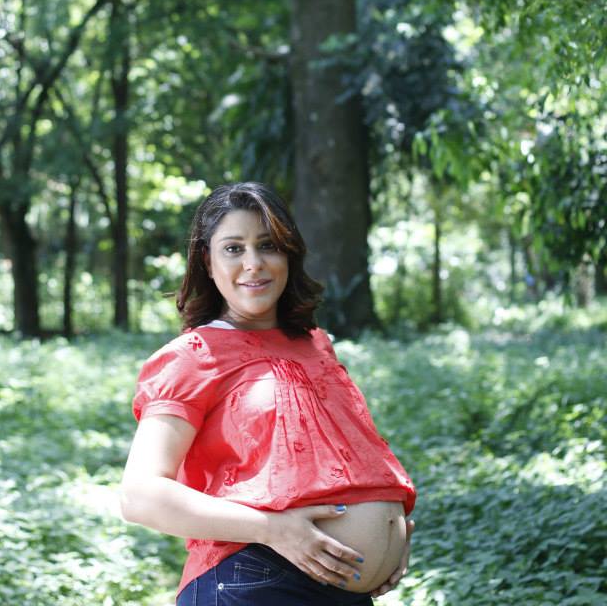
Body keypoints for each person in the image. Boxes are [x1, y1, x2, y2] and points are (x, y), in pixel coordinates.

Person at [121, 182, 416, 605]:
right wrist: (271, 528)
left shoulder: (315, 344)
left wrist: (391, 534)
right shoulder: (193, 356)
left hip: (343, 592)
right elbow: (140, 495)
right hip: (253, 582)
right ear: (207, 262)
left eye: (267, 245)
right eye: (233, 248)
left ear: (289, 253)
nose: (253, 263)